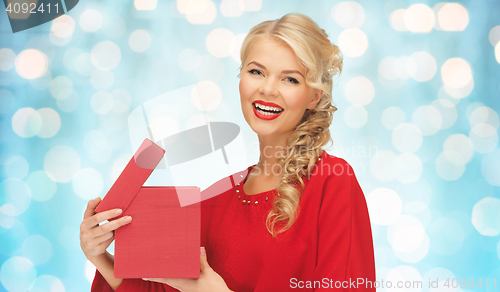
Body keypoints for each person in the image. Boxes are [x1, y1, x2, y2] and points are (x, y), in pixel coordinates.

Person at [80, 13, 376, 291]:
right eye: (257, 71)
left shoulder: (332, 183)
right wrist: (100, 256)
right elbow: (165, 287)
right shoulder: (218, 196)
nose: (268, 89)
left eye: (290, 79)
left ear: (314, 96)